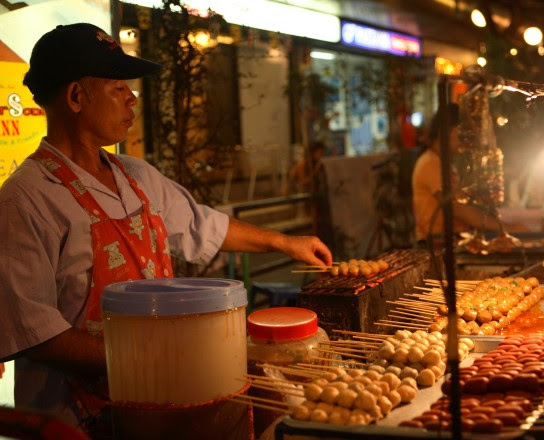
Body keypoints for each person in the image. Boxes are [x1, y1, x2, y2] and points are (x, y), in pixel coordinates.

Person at [0, 23, 332, 432]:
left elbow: (203, 227)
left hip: (158, 404)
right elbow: (35, 332)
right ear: (75, 97)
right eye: (119, 87)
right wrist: (146, 359)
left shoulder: (136, 176)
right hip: (77, 420)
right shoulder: (26, 199)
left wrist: (286, 243)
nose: (132, 98)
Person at [412, 104, 511, 243]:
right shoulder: (430, 163)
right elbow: (457, 209)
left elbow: (463, 202)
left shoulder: (444, 163)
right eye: (463, 132)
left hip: (452, 241)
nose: (466, 139)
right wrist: (505, 228)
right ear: (446, 131)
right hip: (434, 246)